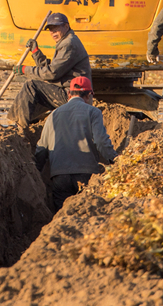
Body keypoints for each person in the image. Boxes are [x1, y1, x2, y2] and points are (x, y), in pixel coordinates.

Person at [34, 76, 117, 211]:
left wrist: (37, 171)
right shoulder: (93, 112)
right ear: (89, 95)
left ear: (69, 94)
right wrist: (114, 160)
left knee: (62, 218)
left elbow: (42, 147)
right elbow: (101, 141)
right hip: (86, 174)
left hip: (59, 175)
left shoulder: (53, 115)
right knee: (86, 216)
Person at [11, 11, 91, 125]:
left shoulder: (69, 44)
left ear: (66, 26)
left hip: (73, 95)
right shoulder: (66, 41)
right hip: (70, 92)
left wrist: (25, 70)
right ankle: (27, 124)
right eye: (51, 29)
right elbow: (52, 68)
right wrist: (36, 52)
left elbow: (52, 73)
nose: (53, 32)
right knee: (35, 94)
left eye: (56, 28)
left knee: (31, 86)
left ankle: (20, 128)